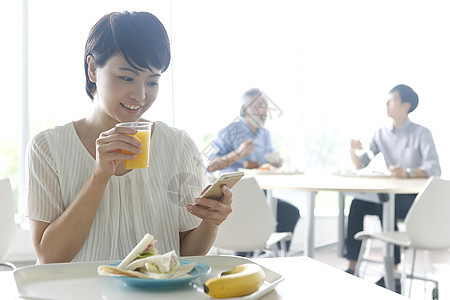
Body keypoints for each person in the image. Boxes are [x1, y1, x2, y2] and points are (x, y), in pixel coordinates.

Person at [25, 11, 232, 264]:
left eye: (152, 82)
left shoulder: (178, 145)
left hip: (158, 292)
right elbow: (50, 258)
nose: (140, 95)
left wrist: (211, 223)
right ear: (92, 69)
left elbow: (186, 257)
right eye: (126, 77)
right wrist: (99, 176)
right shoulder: (48, 147)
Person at [345, 84, 441, 290]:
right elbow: (360, 163)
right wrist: (353, 149)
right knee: (358, 204)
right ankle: (352, 267)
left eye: (392, 100)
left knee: (384, 203)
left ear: (406, 105)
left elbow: (434, 168)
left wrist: (408, 172)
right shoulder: (381, 133)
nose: (387, 104)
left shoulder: (422, 133)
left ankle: (394, 273)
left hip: (413, 201)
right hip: (390, 198)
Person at [207, 88, 300, 254]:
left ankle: (274, 254)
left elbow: (265, 163)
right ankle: (245, 257)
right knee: (251, 219)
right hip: (235, 196)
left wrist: (275, 163)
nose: (264, 111)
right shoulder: (229, 132)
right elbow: (211, 165)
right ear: (244, 109)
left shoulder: (265, 134)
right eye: (259, 106)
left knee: (291, 213)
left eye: (266, 106)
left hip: (260, 194)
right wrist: (238, 154)